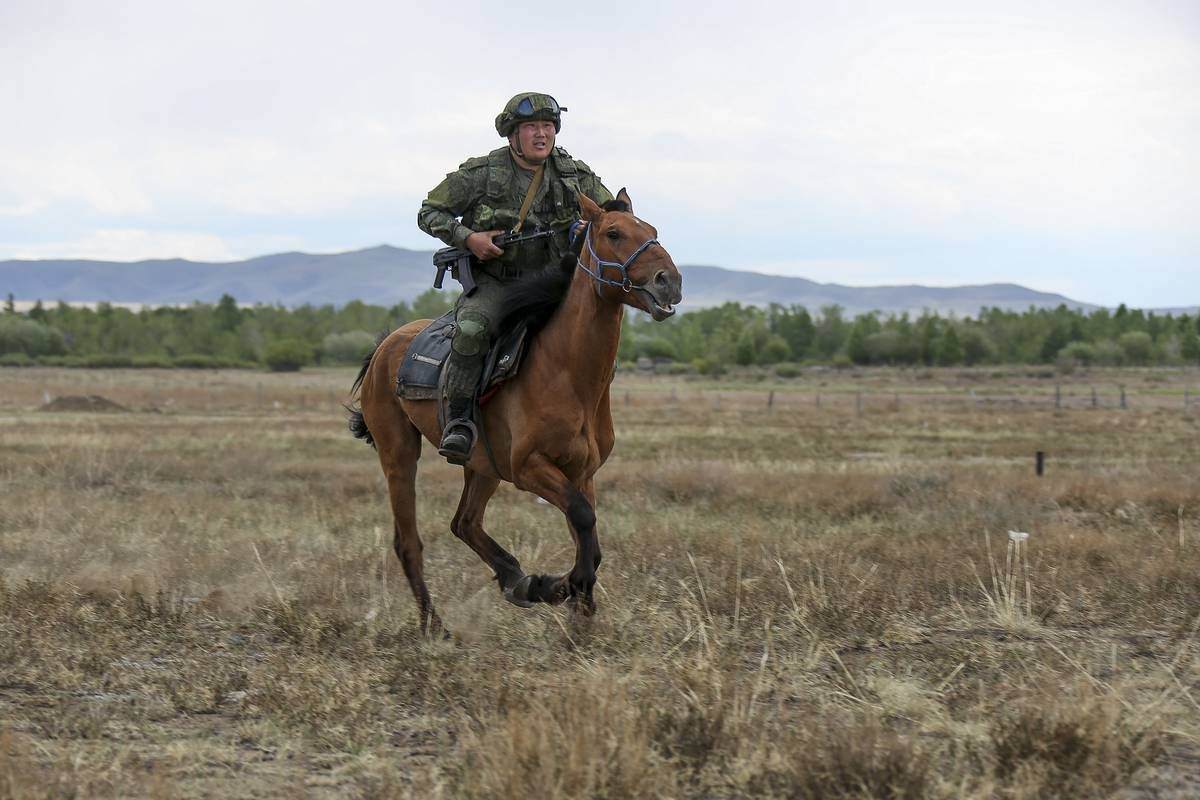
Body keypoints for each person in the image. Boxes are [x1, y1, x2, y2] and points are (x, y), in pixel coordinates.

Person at [417, 92, 614, 463]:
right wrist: (469, 238)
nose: (542, 134)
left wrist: (589, 228)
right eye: (531, 127)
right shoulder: (481, 174)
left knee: (596, 341)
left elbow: (613, 216)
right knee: (472, 331)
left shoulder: (574, 175)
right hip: (499, 283)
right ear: (512, 134)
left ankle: (586, 423)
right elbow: (429, 212)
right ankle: (459, 421)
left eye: (547, 126)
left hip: (554, 284)